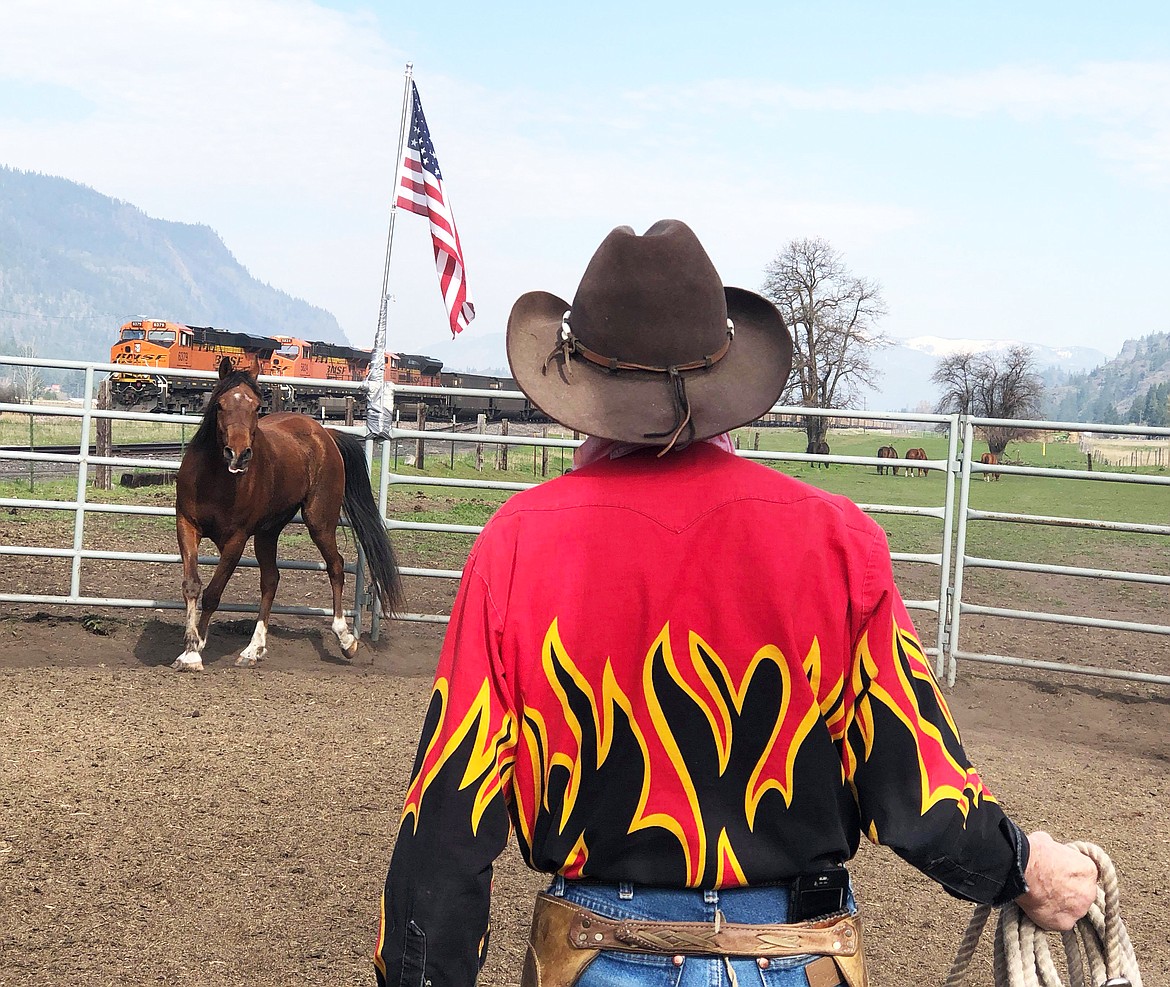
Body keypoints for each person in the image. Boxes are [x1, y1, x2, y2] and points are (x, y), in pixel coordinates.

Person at [374, 220, 1097, 987]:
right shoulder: (839, 542)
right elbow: (918, 787)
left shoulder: (514, 547)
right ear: (729, 386)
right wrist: (1024, 867)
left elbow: (447, 825)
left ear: (576, 393)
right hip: (792, 954)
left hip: (594, 953)